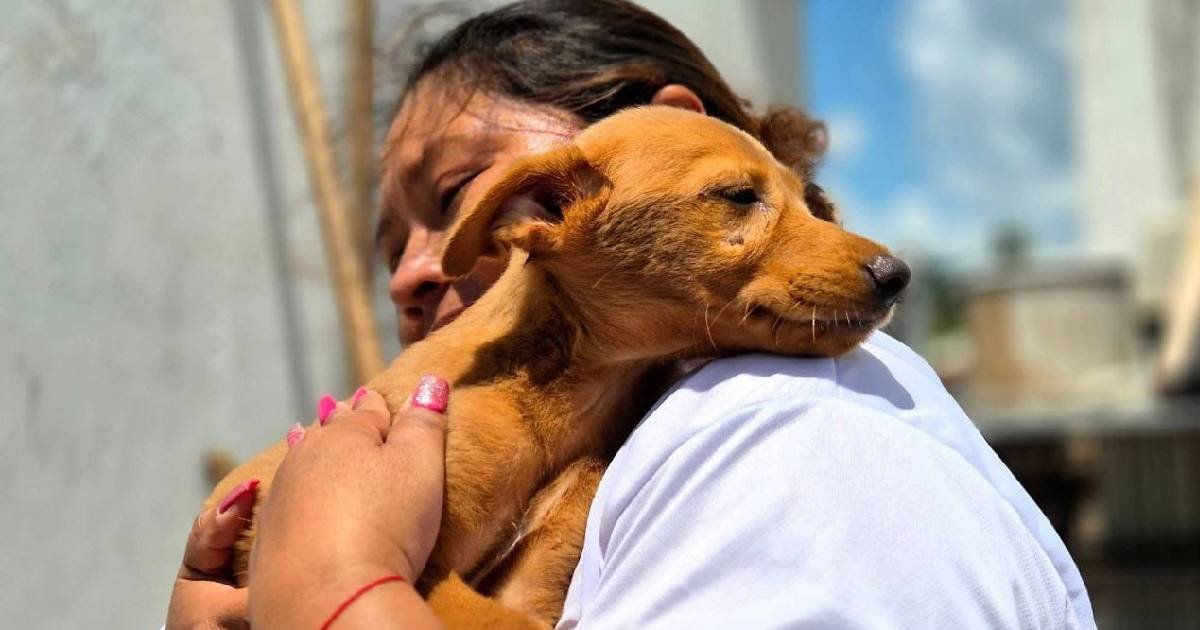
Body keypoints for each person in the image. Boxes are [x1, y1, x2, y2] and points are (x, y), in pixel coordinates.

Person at [167, 1, 1097, 628]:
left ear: (676, 126)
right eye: (389, 250)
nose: (414, 271)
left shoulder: (790, 438)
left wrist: (331, 585)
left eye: (457, 195)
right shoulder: (598, 449)